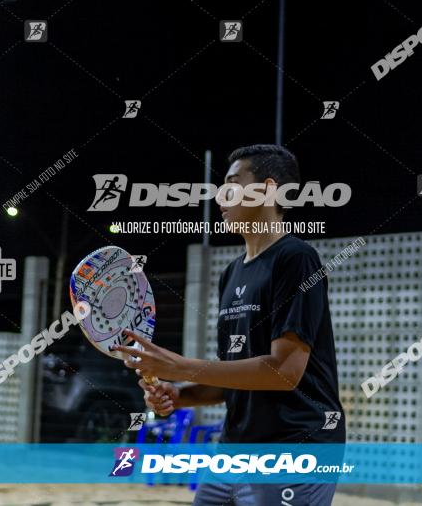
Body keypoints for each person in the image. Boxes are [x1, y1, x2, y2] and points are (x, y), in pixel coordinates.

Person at [114, 144, 345, 506]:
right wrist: (181, 395)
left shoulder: (297, 259)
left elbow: (284, 371)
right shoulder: (231, 273)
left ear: (267, 189)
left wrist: (177, 365)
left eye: (233, 184)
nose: (220, 195)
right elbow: (238, 380)